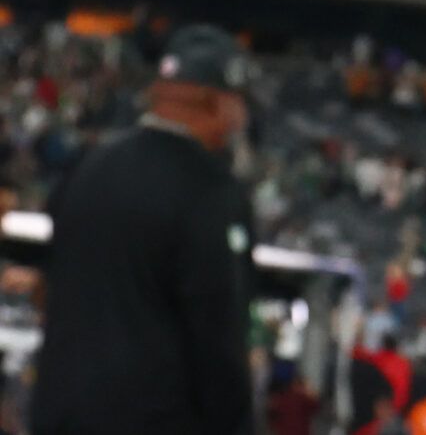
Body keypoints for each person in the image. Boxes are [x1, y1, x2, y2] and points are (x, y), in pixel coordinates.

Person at [31, 24, 257, 435]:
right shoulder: (208, 190)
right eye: (239, 102)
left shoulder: (90, 166)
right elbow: (217, 338)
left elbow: (48, 289)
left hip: (61, 415)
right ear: (216, 101)